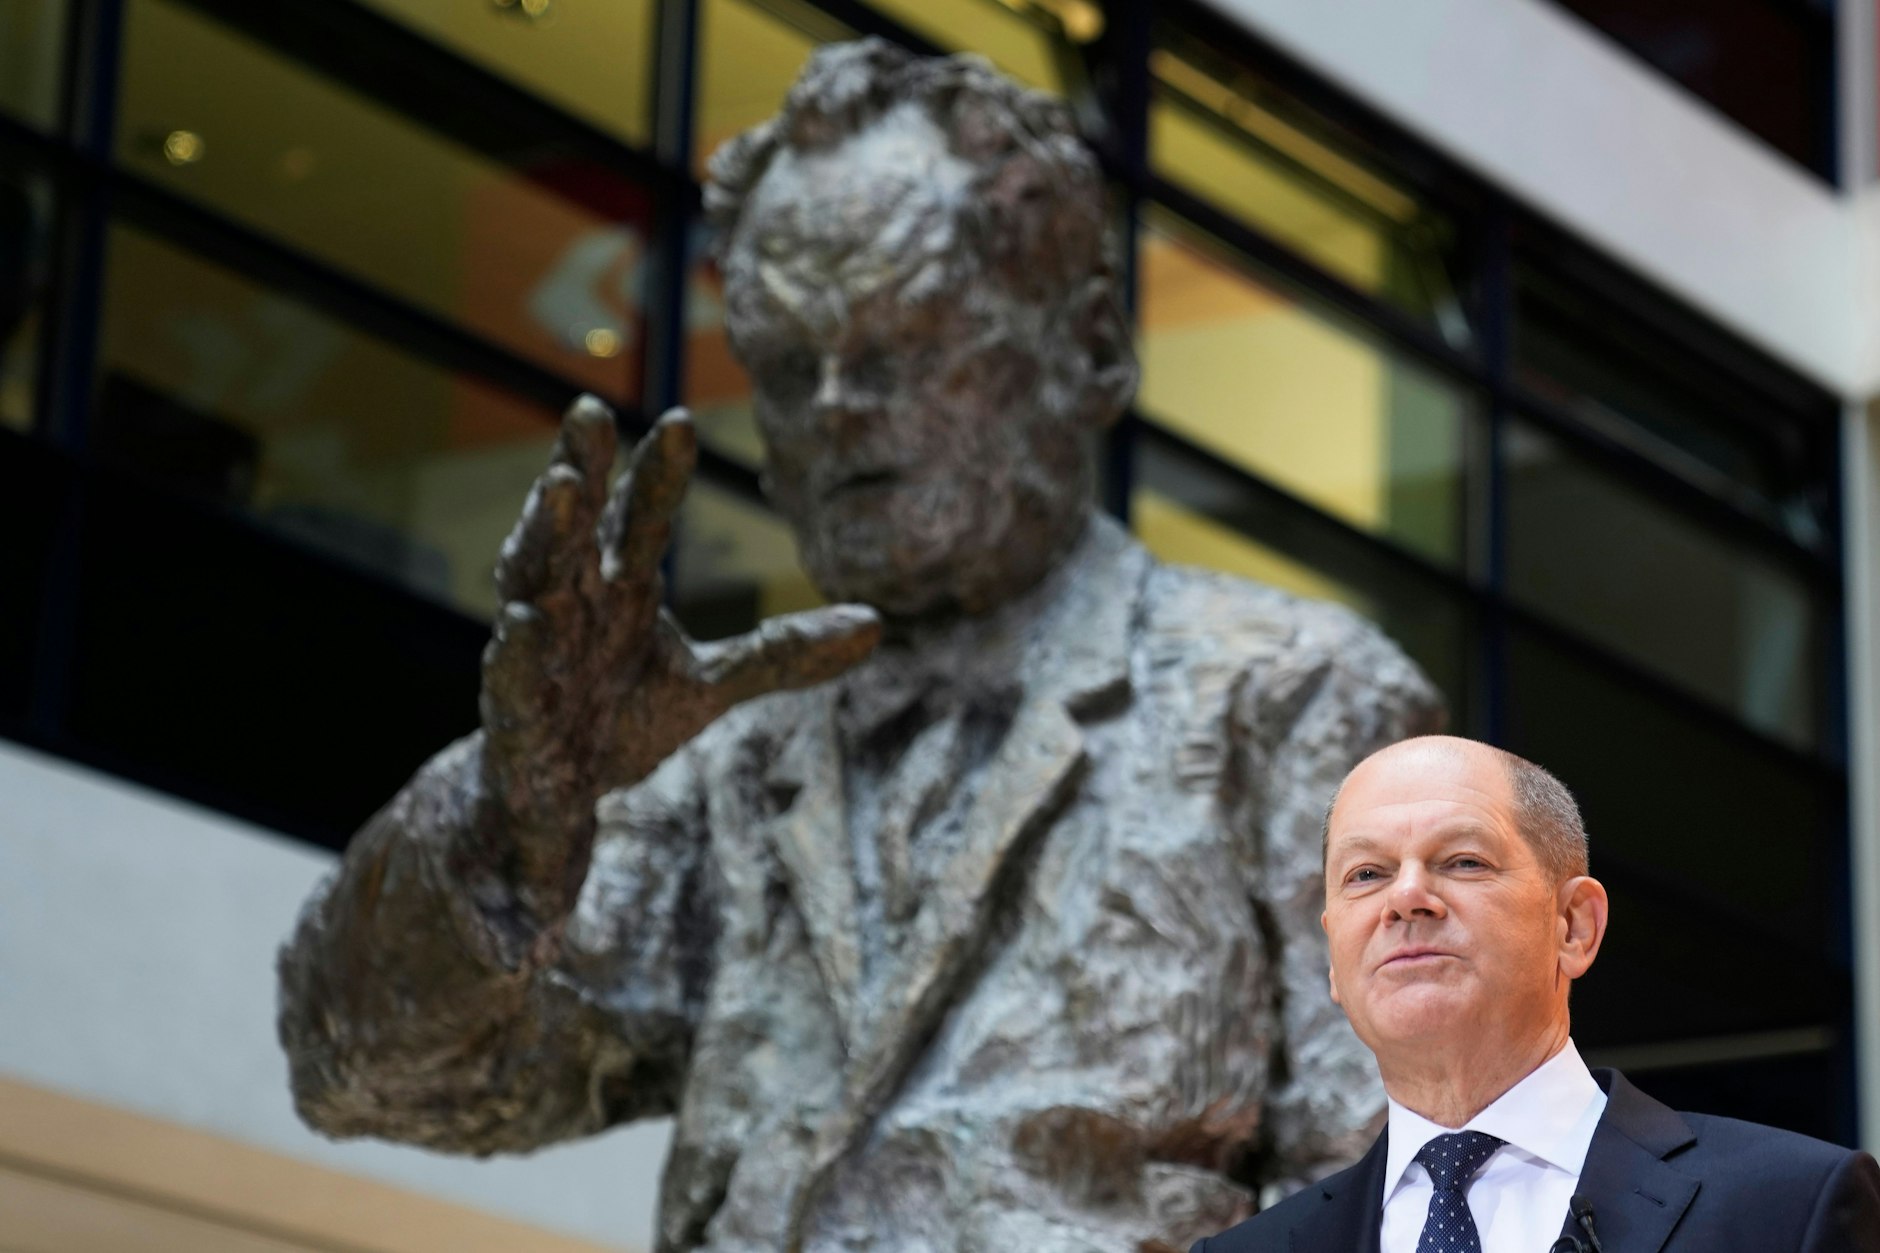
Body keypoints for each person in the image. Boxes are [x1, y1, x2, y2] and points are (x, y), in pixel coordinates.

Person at [277, 41, 1443, 1251]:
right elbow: (361, 1072)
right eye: (784, 364)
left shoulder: (1295, 700)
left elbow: (1401, 1184)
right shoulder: (724, 754)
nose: (834, 411)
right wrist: (510, 818)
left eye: (900, 346)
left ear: (1089, 345)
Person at [1193, 735, 1880, 1252]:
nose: (1406, 897)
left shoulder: (1788, 1207)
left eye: (1463, 860)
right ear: (1334, 962)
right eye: (1367, 873)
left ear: (1575, 925)